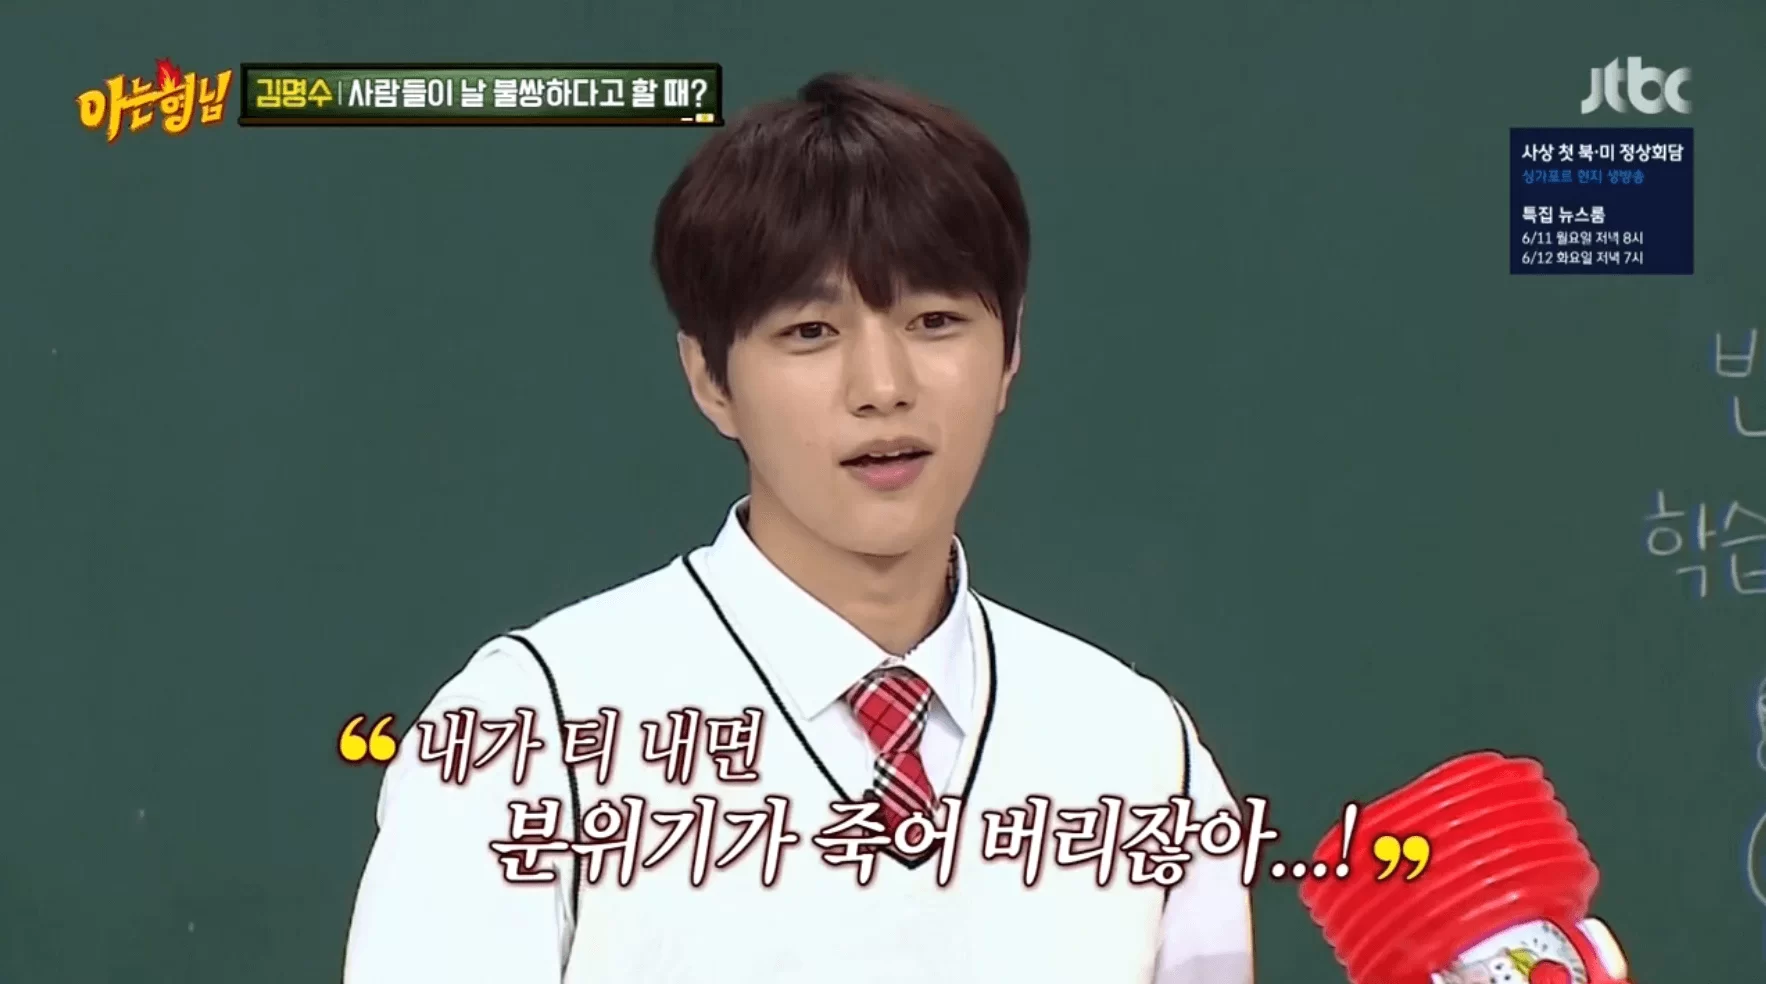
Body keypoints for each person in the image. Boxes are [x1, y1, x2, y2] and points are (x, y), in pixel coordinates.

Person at [343, 71, 1253, 984]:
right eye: (812, 332)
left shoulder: (1137, 750)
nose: (882, 387)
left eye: (936, 320)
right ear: (710, 378)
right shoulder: (530, 735)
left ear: (1010, 350)